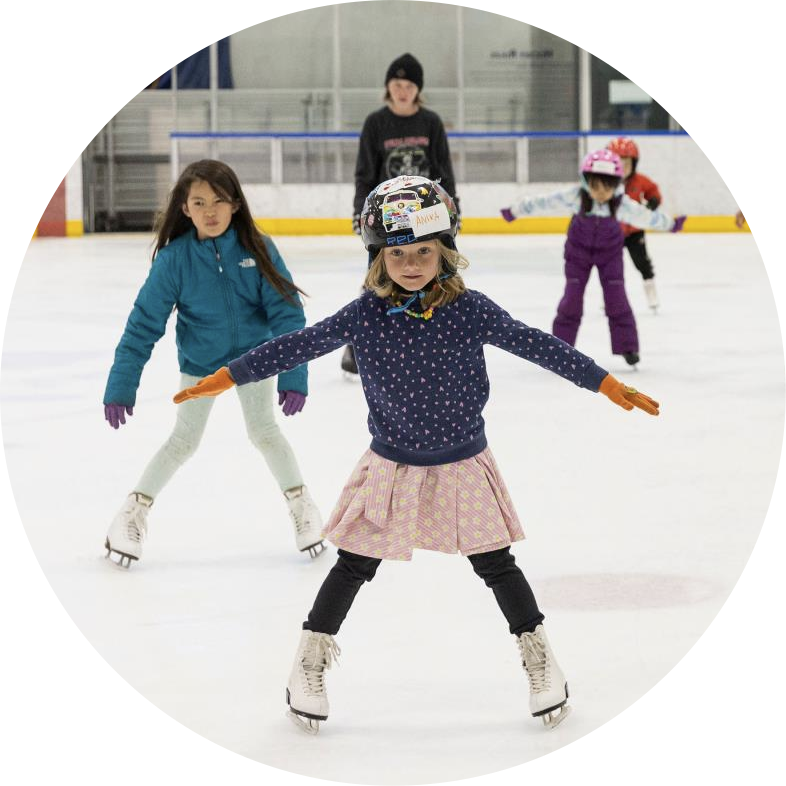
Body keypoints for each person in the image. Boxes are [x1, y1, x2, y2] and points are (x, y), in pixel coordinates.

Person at [173, 175, 661, 734]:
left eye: (423, 251)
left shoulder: (469, 310)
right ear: (379, 257)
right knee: (353, 563)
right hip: (392, 465)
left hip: (462, 463)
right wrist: (229, 375)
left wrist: (601, 382)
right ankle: (308, 662)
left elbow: (536, 343)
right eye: (398, 253)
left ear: (444, 251)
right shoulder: (364, 315)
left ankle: (539, 656)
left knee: (497, 564)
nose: (410, 263)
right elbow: (299, 344)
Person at [103, 159, 325, 568]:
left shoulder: (256, 248)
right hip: (202, 365)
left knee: (264, 432)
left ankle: (302, 507)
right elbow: (143, 325)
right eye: (200, 202)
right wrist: (122, 382)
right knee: (184, 441)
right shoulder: (175, 260)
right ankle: (131, 514)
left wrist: (293, 371)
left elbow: (287, 315)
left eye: (220, 201)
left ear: (236, 204)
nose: (210, 211)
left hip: (253, 361)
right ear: (184, 208)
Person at [500, 149, 686, 367]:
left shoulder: (621, 204)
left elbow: (645, 217)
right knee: (572, 297)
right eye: (595, 186)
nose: (601, 192)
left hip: (610, 255)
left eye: (607, 187)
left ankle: (627, 347)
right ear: (585, 181)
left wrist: (670, 224)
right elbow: (544, 202)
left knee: (616, 296)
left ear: (616, 185)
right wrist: (516, 210)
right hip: (577, 253)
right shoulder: (576, 196)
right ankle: (560, 348)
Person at [341, 52, 460, 378]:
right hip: (386, 220)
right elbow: (364, 174)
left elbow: (443, 172)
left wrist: (453, 210)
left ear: (417, 89)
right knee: (378, 281)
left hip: (427, 218)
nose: (402, 90)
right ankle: (357, 348)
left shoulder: (431, 122)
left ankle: (437, 344)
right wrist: (359, 211)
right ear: (387, 87)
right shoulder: (376, 123)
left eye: (408, 85)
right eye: (396, 84)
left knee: (437, 277)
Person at [607, 137, 664, 312]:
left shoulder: (640, 181)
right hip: (612, 232)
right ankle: (609, 297)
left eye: (627, 162)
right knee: (610, 267)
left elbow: (653, 191)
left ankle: (650, 290)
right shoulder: (605, 183)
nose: (623, 167)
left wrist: (651, 203)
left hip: (634, 232)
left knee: (642, 262)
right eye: (619, 162)